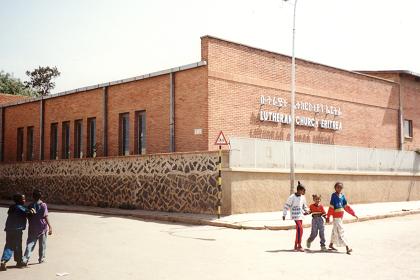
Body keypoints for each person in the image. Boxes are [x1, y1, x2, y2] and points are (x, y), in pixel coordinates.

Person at [1, 194, 35, 271]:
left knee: (9, 244)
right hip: (17, 229)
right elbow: (29, 213)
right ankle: (17, 262)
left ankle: (6, 260)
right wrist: (32, 210)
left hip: (9, 229)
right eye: (23, 199)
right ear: (19, 200)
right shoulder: (20, 208)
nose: (24, 200)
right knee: (17, 246)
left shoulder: (12, 207)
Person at [326, 182, 358, 255]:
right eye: (338, 187)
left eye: (341, 187)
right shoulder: (333, 196)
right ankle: (347, 247)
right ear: (335, 188)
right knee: (341, 231)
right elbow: (331, 207)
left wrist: (353, 214)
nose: (339, 189)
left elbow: (346, 207)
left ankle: (331, 244)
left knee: (335, 230)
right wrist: (328, 216)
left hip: (340, 217)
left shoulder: (342, 196)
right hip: (336, 217)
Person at [22, 190, 52, 266]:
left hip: (33, 227)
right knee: (42, 244)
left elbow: (28, 216)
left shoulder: (30, 205)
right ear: (40, 196)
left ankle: (25, 259)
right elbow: (45, 216)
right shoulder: (43, 205)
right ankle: (41, 259)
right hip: (42, 227)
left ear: (33, 197)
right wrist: (50, 226)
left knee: (30, 243)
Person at [282, 181, 309, 252]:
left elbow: (304, 206)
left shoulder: (303, 197)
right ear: (299, 190)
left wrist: (307, 211)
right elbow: (286, 206)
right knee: (300, 229)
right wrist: (284, 214)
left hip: (300, 215)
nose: (304, 192)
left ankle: (295, 245)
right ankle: (299, 245)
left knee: (298, 230)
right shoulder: (292, 197)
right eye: (303, 190)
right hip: (295, 215)